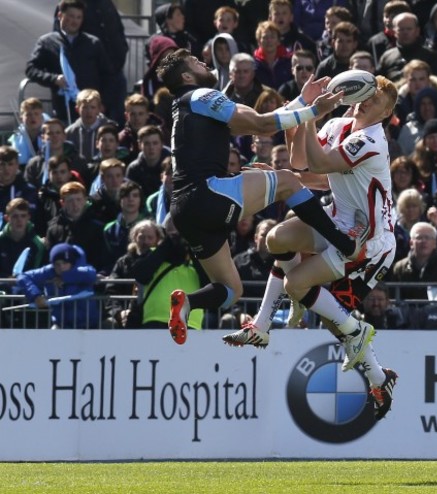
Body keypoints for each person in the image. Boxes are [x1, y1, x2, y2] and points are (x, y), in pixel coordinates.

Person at [156, 49, 366, 347]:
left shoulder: (188, 107)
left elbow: (256, 122)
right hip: (207, 193)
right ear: (188, 76)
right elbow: (262, 125)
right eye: (196, 62)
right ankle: (345, 243)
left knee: (230, 290)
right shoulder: (201, 95)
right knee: (288, 181)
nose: (204, 62)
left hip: (184, 211)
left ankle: (187, 302)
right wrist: (314, 111)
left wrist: (303, 101)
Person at [222, 75, 399, 419]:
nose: (366, 101)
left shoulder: (372, 139)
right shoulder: (339, 125)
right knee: (276, 239)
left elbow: (319, 164)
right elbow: (304, 163)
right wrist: (306, 110)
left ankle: (356, 338)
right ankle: (263, 326)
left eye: (375, 100)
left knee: (301, 288)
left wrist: (311, 114)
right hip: (338, 221)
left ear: (386, 113)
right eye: (367, 95)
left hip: (367, 242)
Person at [25, 0, 112, 124]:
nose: (75, 21)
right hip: (63, 111)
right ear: (60, 15)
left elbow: (108, 76)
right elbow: (31, 69)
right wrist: (53, 79)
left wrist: (104, 103)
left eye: (79, 17)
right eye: (71, 16)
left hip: (91, 112)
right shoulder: (47, 42)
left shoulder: (93, 43)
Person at [16, 243, 99, 329]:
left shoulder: (85, 269)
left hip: (88, 326)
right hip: (61, 325)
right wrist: (35, 296)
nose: (61, 267)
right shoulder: (49, 271)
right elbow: (22, 277)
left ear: (72, 262)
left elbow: (91, 275)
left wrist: (65, 277)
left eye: (65, 262)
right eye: (57, 264)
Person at [103, 219, 164, 329]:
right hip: (126, 315)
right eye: (141, 237)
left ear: (157, 240)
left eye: (150, 238)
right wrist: (119, 313)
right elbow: (111, 290)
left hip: (153, 315)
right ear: (134, 238)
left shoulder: (163, 262)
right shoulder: (123, 262)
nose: (145, 241)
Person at [45, 181, 106, 271]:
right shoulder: (54, 229)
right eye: (70, 201)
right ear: (62, 203)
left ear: (85, 200)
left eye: (78, 199)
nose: (75, 204)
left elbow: (102, 258)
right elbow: (49, 258)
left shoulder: (97, 228)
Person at [390, 221, 437, 301]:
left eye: (428, 237)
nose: (424, 241)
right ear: (411, 243)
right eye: (419, 238)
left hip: (436, 311)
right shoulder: (399, 267)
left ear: (435, 243)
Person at [377, 12, 437, 83]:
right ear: (394, 32)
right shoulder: (387, 57)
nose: (405, 32)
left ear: (417, 31)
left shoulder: (430, 56)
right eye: (401, 29)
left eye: (409, 29)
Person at [0, 198, 46, 290]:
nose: (19, 220)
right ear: (7, 218)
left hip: (28, 291)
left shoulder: (37, 244)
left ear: (29, 217)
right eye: (15, 216)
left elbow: (37, 271)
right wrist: (7, 279)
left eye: (23, 216)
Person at [64, 89, 116, 162]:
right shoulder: (70, 132)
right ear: (77, 109)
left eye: (93, 107)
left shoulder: (109, 128)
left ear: (99, 109)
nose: (89, 111)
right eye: (84, 107)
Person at [125, 125, 171, 199]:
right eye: (146, 144)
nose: (151, 147)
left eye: (155, 143)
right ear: (139, 145)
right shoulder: (133, 169)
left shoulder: (173, 166)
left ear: (162, 144)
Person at [0, 146, 39, 229]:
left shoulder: (28, 191)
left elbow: (30, 220)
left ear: (17, 165)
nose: (6, 168)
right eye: (2, 164)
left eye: (10, 164)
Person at [9, 98, 48, 168]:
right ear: (21, 118)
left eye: (36, 114)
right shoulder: (17, 137)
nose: (33, 117)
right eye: (28, 114)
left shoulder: (51, 133)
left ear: (42, 116)